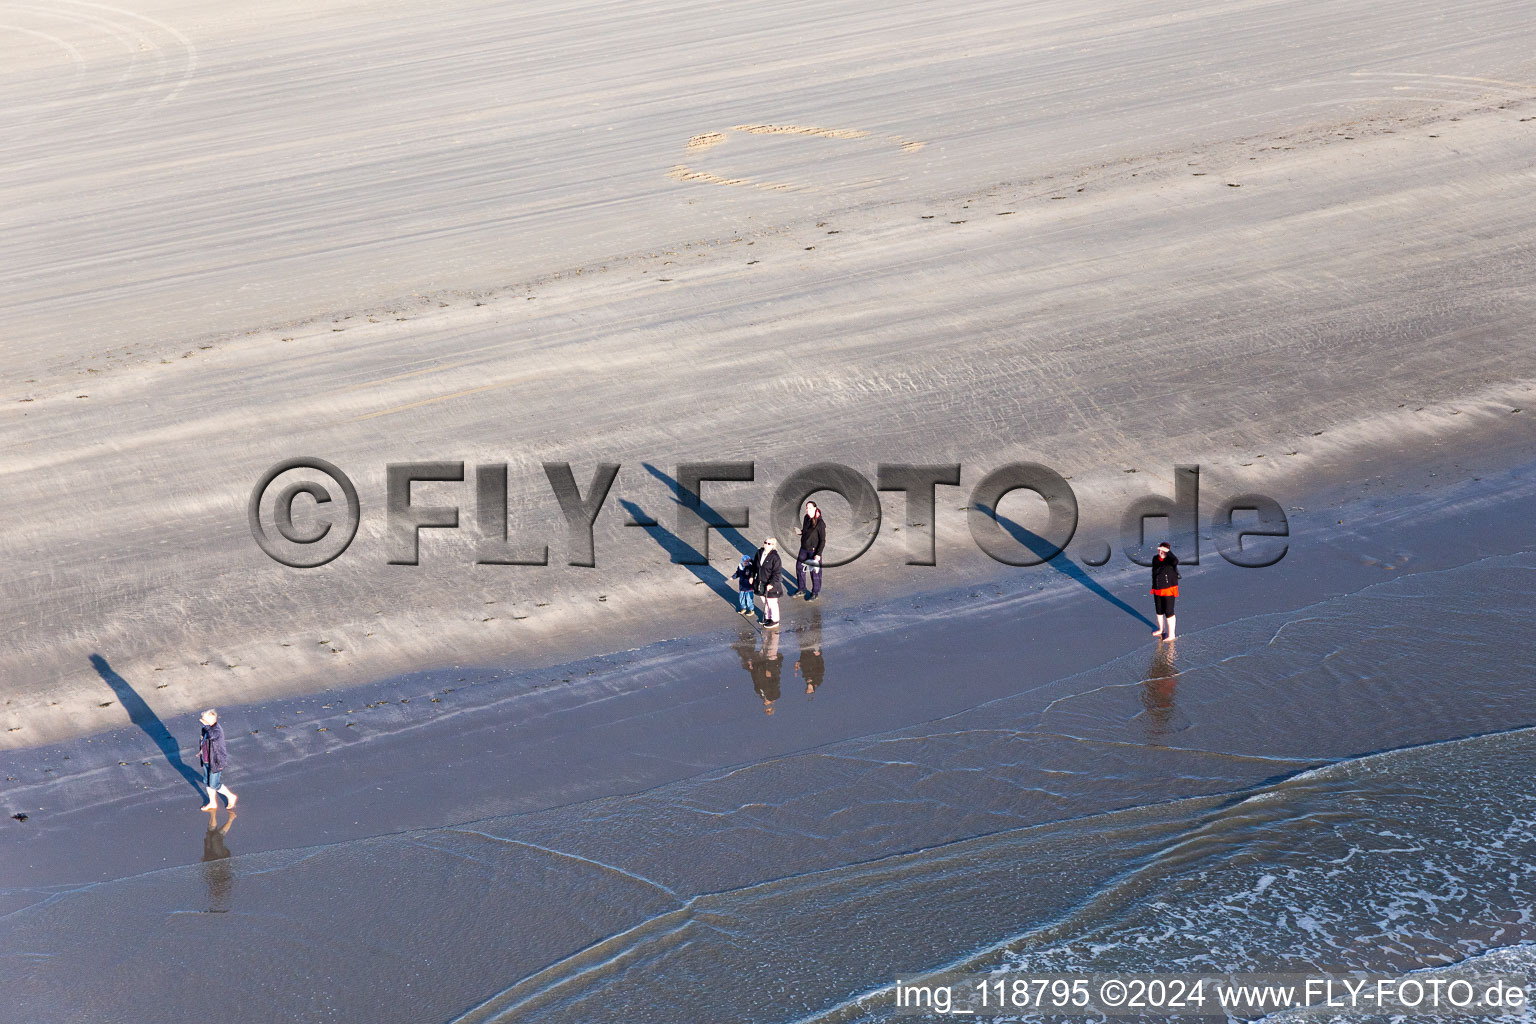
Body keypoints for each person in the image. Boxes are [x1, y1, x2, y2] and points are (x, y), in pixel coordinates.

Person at [197, 708, 237, 811]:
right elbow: (204, 740)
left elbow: (212, 736)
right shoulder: (205, 728)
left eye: (204, 718)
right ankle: (212, 803)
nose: (202, 720)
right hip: (206, 759)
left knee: (214, 784)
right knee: (207, 781)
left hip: (216, 761)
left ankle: (231, 796)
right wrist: (201, 751)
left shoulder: (216, 729)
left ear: (211, 719)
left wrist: (206, 725)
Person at [795, 500, 826, 601]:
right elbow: (806, 531)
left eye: (810, 508)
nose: (807, 510)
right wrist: (800, 532)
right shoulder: (806, 518)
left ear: (815, 508)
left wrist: (818, 554)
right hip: (803, 549)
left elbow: (822, 540)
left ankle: (815, 592)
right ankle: (801, 589)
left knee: (814, 573)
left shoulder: (820, 523)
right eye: (806, 508)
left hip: (814, 551)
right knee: (799, 568)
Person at [1151, 541, 1180, 641]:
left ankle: (1171, 634)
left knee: (1169, 612)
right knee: (1159, 611)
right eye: (1159, 550)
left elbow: (1175, 561)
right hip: (1157, 589)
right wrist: (1154, 586)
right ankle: (1161, 629)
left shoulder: (1171, 560)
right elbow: (1154, 573)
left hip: (1168, 589)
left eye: (1162, 551)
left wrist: (1168, 552)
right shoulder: (1155, 559)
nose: (1160, 552)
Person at [753, 536, 784, 628]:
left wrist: (771, 584)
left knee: (772, 603)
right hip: (761, 582)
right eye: (765, 542)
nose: (766, 545)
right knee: (765, 601)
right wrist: (751, 576)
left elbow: (777, 573)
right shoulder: (759, 553)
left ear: (773, 546)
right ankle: (767, 617)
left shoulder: (775, 557)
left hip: (771, 584)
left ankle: (775, 620)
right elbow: (755, 566)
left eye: (769, 544)